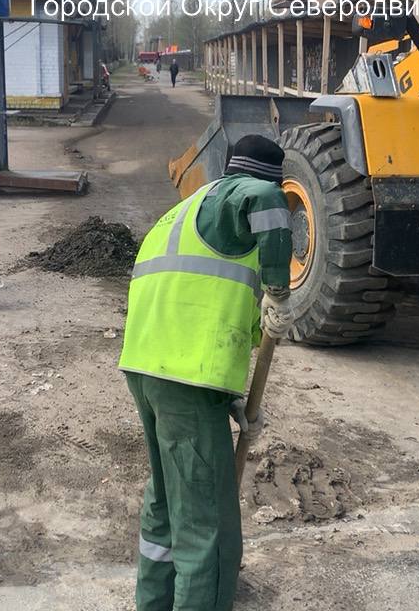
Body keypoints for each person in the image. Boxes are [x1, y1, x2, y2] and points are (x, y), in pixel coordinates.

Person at [118, 135, 294, 611]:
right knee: (208, 523)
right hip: (184, 378)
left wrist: (228, 400)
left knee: (167, 505)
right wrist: (278, 288)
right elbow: (264, 199)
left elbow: (204, 305)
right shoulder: (244, 194)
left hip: (149, 369)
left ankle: (154, 602)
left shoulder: (185, 212)